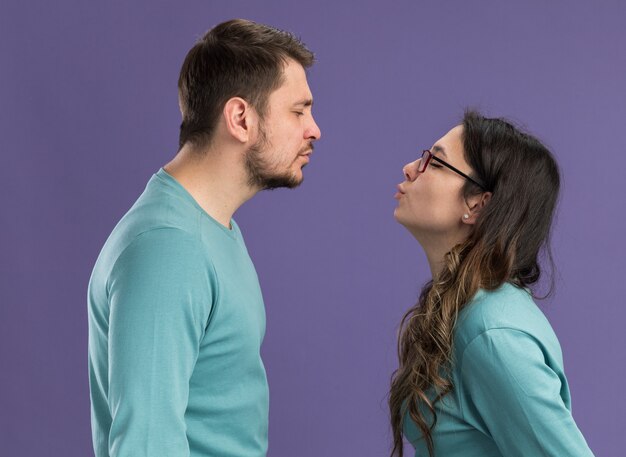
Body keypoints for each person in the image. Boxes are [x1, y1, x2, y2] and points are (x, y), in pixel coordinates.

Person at [87, 19, 321, 457]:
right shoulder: (169, 248)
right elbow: (145, 447)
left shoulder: (211, 228)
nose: (314, 129)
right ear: (240, 118)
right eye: (298, 110)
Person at [388, 111, 594, 457]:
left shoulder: (492, 333)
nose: (410, 168)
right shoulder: (469, 313)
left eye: (435, 163)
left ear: (478, 204)